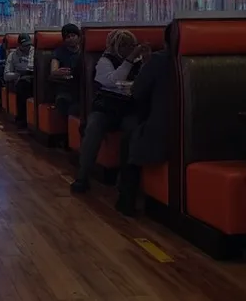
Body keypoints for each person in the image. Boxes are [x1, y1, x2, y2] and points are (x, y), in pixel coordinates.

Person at [70, 30, 150, 193]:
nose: (128, 48)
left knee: (133, 129)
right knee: (93, 128)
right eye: (124, 45)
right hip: (106, 107)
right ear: (115, 46)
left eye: (131, 45)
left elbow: (144, 82)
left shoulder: (139, 61)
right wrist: (129, 60)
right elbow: (113, 80)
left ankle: (125, 182)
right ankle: (82, 176)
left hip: (129, 108)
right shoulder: (105, 60)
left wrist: (146, 62)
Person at [115, 23, 174, 216]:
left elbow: (137, 92)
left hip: (164, 134)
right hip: (199, 135)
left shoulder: (159, 60)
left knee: (129, 135)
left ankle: (127, 199)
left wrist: (147, 65)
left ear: (165, 41)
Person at [50, 23, 82, 117]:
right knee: (63, 102)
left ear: (79, 37)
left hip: (82, 87)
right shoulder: (59, 52)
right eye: (68, 37)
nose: (71, 38)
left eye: (73, 35)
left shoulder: (84, 52)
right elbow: (53, 71)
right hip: (65, 88)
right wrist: (58, 72)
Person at [4, 33, 34, 128]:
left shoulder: (35, 52)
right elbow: (6, 75)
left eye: (29, 45)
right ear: (19, 45)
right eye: (24, 45)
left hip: (34, 77)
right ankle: (22, 118)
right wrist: (18, 75)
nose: (27, 48)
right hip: (20, 79)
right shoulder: (12, 55)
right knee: (23, 84)